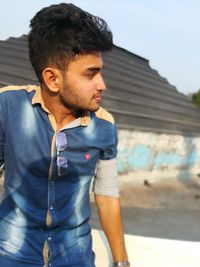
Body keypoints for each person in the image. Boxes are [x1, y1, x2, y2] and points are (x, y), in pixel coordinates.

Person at [0, 3, 130, 267]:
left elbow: (107, 194)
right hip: (11, 252)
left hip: (75, 255)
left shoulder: (104, 126)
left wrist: (121, 262)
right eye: (90, 74)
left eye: (100, 72)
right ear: (52, 79)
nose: (102, 84)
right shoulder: (7, 107)